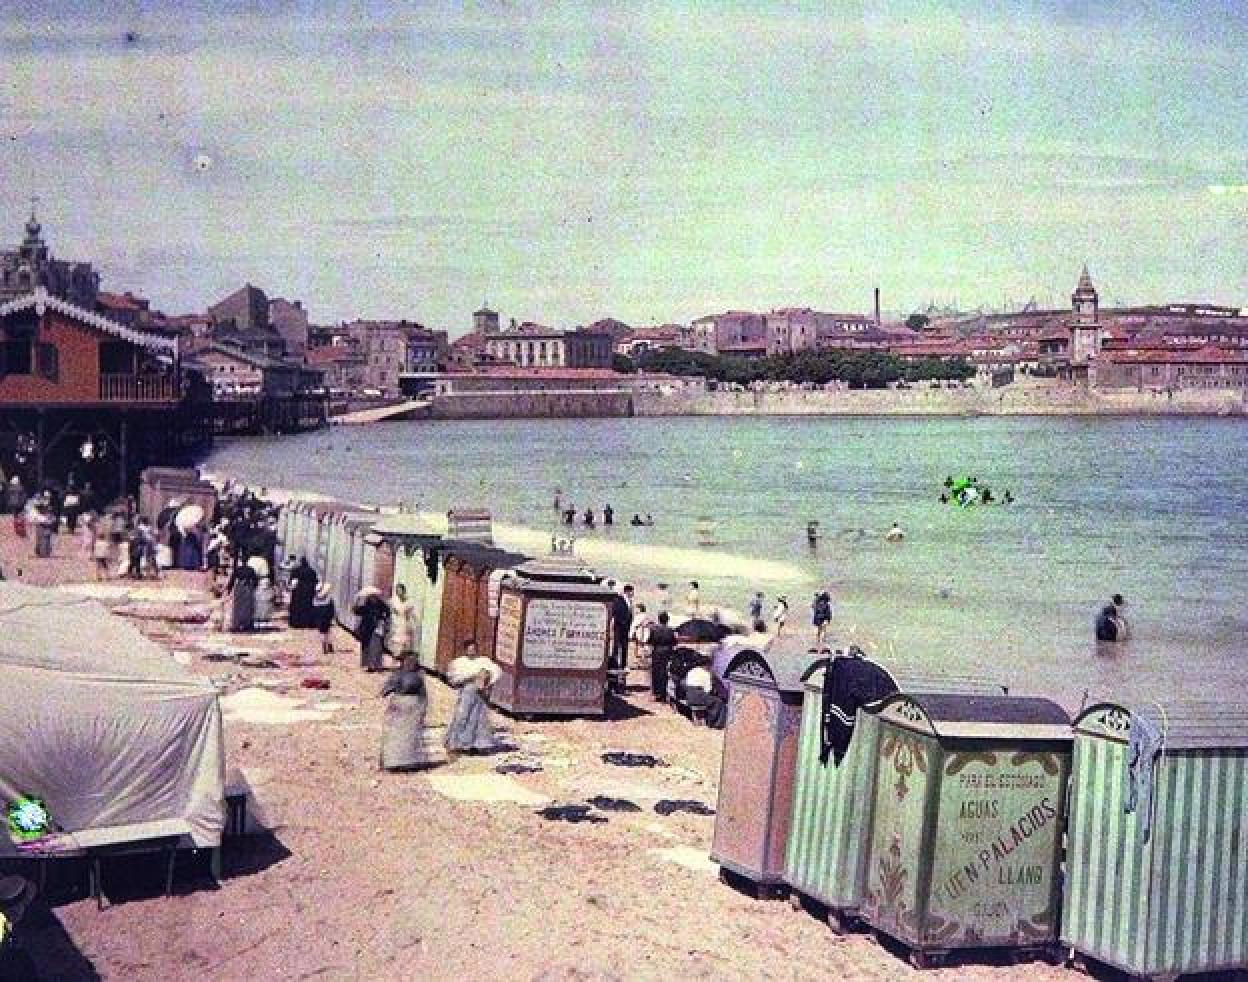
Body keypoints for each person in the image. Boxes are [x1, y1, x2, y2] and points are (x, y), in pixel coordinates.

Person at [380, 656, 445, 771]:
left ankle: (408, 762)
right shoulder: (398, 674)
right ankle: (393, 762)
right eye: (408, 661)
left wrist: (422, 709)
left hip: (413, 709)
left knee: (410, 737)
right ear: (403, 663)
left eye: (413, 662)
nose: (410, 664)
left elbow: (423, 695)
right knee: (395, 735)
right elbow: (387, 688)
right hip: (400, 706)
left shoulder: (419, 676)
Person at [445, 640, 501, 754]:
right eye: (470, 649)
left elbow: (497, 671)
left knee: (478, 719)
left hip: (480, 694)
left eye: (474, 648)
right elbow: (453, 678)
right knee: (462, 717)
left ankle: (475, 745)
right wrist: (471, 676)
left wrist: (487, 679)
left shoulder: (484, 661)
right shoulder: (459, 662)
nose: (472, 651)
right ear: (465, 650)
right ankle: (456, 743)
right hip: (467, 692)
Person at [355, 592, 390, 672]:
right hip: (366, 628)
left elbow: (387, 612)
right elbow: (357, 611)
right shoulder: (366, 605)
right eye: (371, 597)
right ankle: (368, 665)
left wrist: (383, 619)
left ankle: (377, 665)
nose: (372, 598)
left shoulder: (381, 604)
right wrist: (357, 602)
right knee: (366, 647)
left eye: (373, 596)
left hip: (376, 628)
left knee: (377, 647)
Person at [609, 584, 635, 694]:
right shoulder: (619, 600)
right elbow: (616, 613)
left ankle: (623, 670)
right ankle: (615, 672)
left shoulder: (629, 602)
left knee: (624, 650)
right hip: (620, 629)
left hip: (625, 630)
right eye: (632, 592)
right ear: (627, 591)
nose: (633, 594)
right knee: (616, 649)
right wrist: (622, 622)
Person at [647, 612, 676, 702]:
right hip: (667, 652)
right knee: (664, 673)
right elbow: (674, 642)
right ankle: (663, 693)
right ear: (667, 620)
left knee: (656, 673)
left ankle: (657, 693)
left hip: (657, 652)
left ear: (659, 619)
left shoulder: (654, 629)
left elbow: (650, 641)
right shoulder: (671, 630)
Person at [225, 562, 258, 633]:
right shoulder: (251, 569)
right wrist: (253, 588)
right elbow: (255, 581)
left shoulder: (237, 569)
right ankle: (247, 625)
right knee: (248, 607)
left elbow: (232, 580)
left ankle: (237, 625)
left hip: (239, 588)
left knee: (238, 607)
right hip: (248, 587)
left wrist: (228, 590)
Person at [287, 558, 318, 629]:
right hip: (309, 591)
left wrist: (290, 587)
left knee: (296, 607)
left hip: (298, 591)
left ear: (300, 562)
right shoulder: (312, 571)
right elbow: (315, 581)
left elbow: (292, 581)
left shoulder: (296, 570)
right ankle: (307, 622)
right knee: (307, 606)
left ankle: (296, 623)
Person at [389, 583, 417, 658]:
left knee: (405, 642)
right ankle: (395, 657)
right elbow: (392, 611)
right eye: (397, 590)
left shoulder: (408, 601)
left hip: (405, 623)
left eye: (400, 590)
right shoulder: (393, 601)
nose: (398, 592)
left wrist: (410, 616)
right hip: (396, 622)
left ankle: (402, 659)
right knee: (396, 641)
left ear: (403, 591)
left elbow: (412, 613)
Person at [312, 582, 336, 653]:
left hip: (318, 618)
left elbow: (313, 610)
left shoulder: (315, 599)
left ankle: (324, 646)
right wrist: (332, 617)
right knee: (328, 632)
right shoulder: (329, 599)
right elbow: (332, 609)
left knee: (321, 632)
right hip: (327, 617)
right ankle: (329, 645)